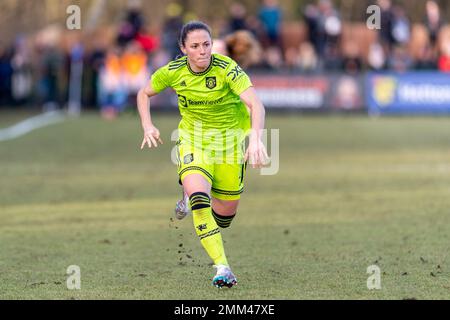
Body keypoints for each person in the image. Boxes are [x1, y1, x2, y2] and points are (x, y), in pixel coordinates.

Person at [136, 21, 268, 288]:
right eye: (195, 46)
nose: (203, 51)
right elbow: (144, 92)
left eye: (206, 44)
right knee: (200, 200)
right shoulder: (173, 72)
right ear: (183, 48)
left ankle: (190, 194)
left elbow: (256, 104)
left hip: (229, 146)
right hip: (193, 142)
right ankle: (222, 267)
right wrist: (147, 125)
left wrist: (256, 139)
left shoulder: (227, 68)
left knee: (224, 218)